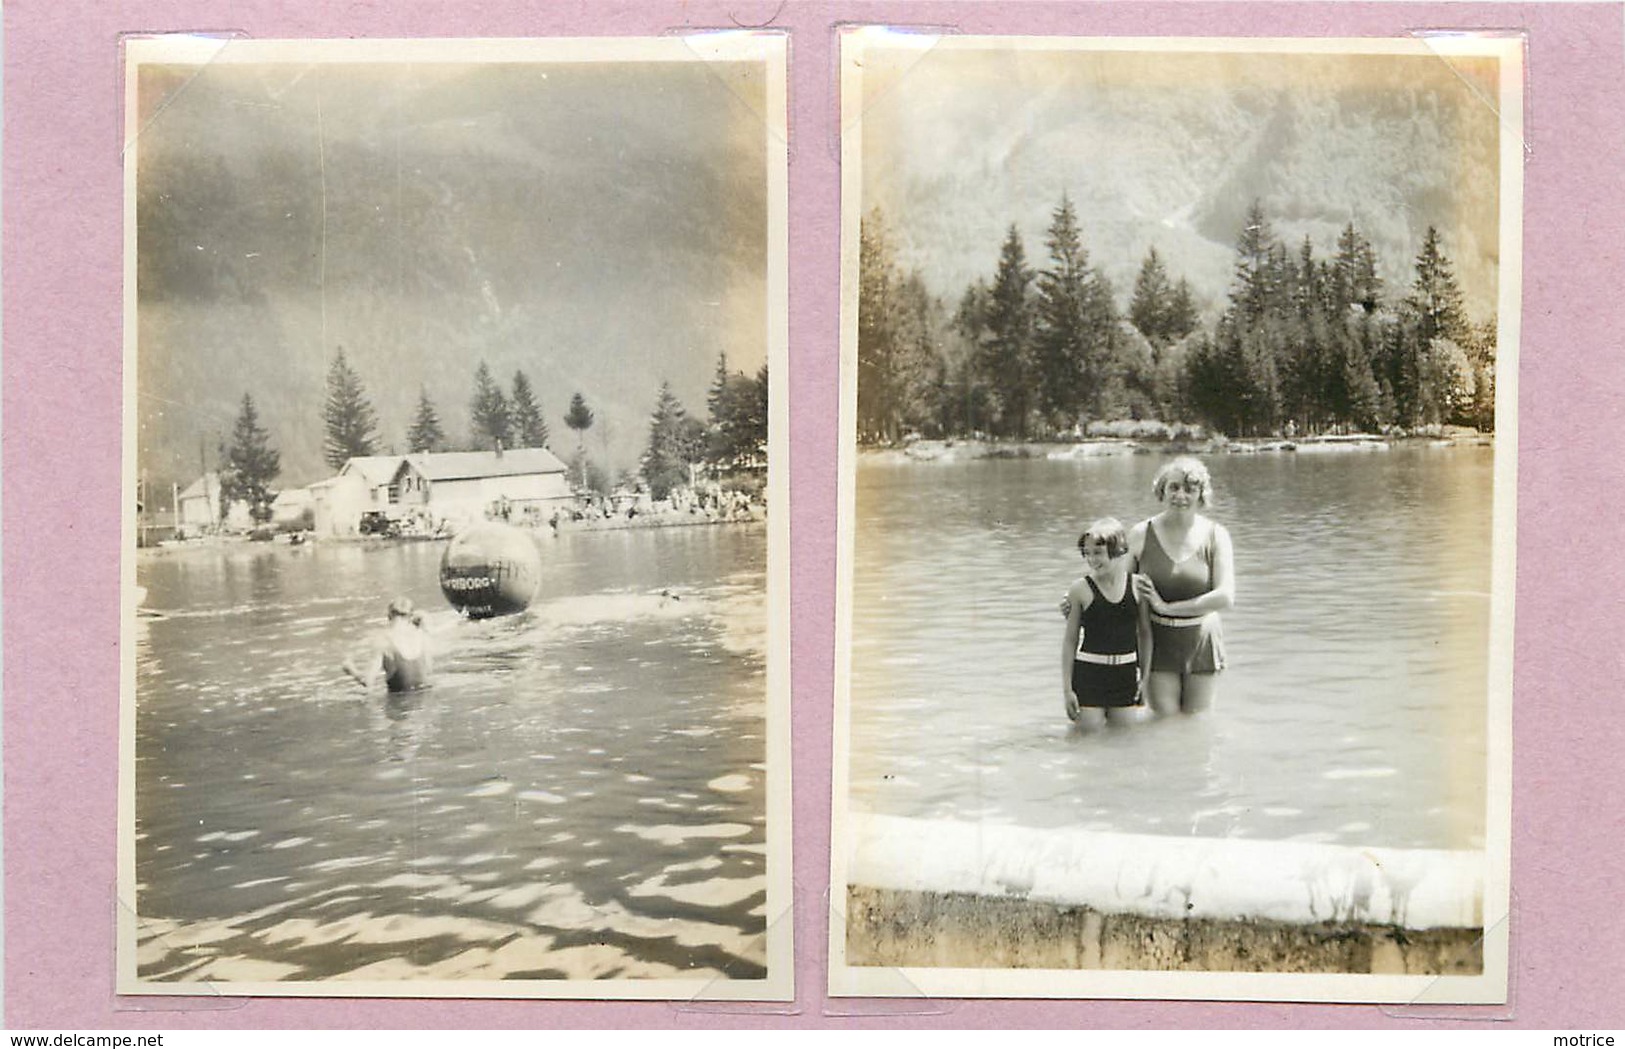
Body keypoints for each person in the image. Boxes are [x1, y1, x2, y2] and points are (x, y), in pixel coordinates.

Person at [1128, 456, 1234, 715]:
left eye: (1190, 489)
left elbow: (1225, 597)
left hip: (1202, 641)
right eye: (1173, 487)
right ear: (1161, 490)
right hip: (1157, 641)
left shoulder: (1217, 535)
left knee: (1195, 726)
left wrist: (1168, 607)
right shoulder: (1140, 534)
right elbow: (1118, 588)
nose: (1181, 495)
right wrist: (1078, 603)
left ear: (1201, 495)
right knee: (1165, 722)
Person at [1062, 517, 1151, 728]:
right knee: (1087, 740)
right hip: (1089, 674)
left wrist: (1145, 679)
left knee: (1124, 743)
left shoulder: (1139, 587)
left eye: (1098, 553)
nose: (1092, 560)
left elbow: (1145, 634)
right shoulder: (1079, 589)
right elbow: (1070, 641)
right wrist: (1067, 690)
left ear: (1119, 551)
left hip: (1125, 674)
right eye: (1087, 554)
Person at [343, 597, 434, 692]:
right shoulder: (422, 635)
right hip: (427, 700)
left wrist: (350, 669)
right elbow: (428, 670)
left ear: (389, 616)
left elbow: (367, 681)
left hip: (400, 705)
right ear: (410, 616)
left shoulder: (383, 640)